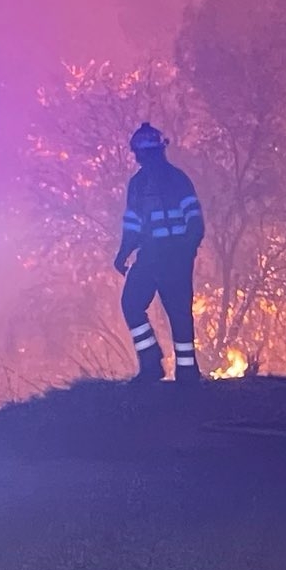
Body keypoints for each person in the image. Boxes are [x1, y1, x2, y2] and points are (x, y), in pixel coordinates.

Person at [114, 123, 205, 383]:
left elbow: (195, 221)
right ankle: (152, 364)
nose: (139, 158)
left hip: (172, 256)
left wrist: (186, 251)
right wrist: (124, 253)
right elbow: (133, 224)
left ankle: (187, 373)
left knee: (178, 313)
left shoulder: (176, 180)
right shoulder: (142, 183)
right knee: (132, 304)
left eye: (139, 153)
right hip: (152, 257)